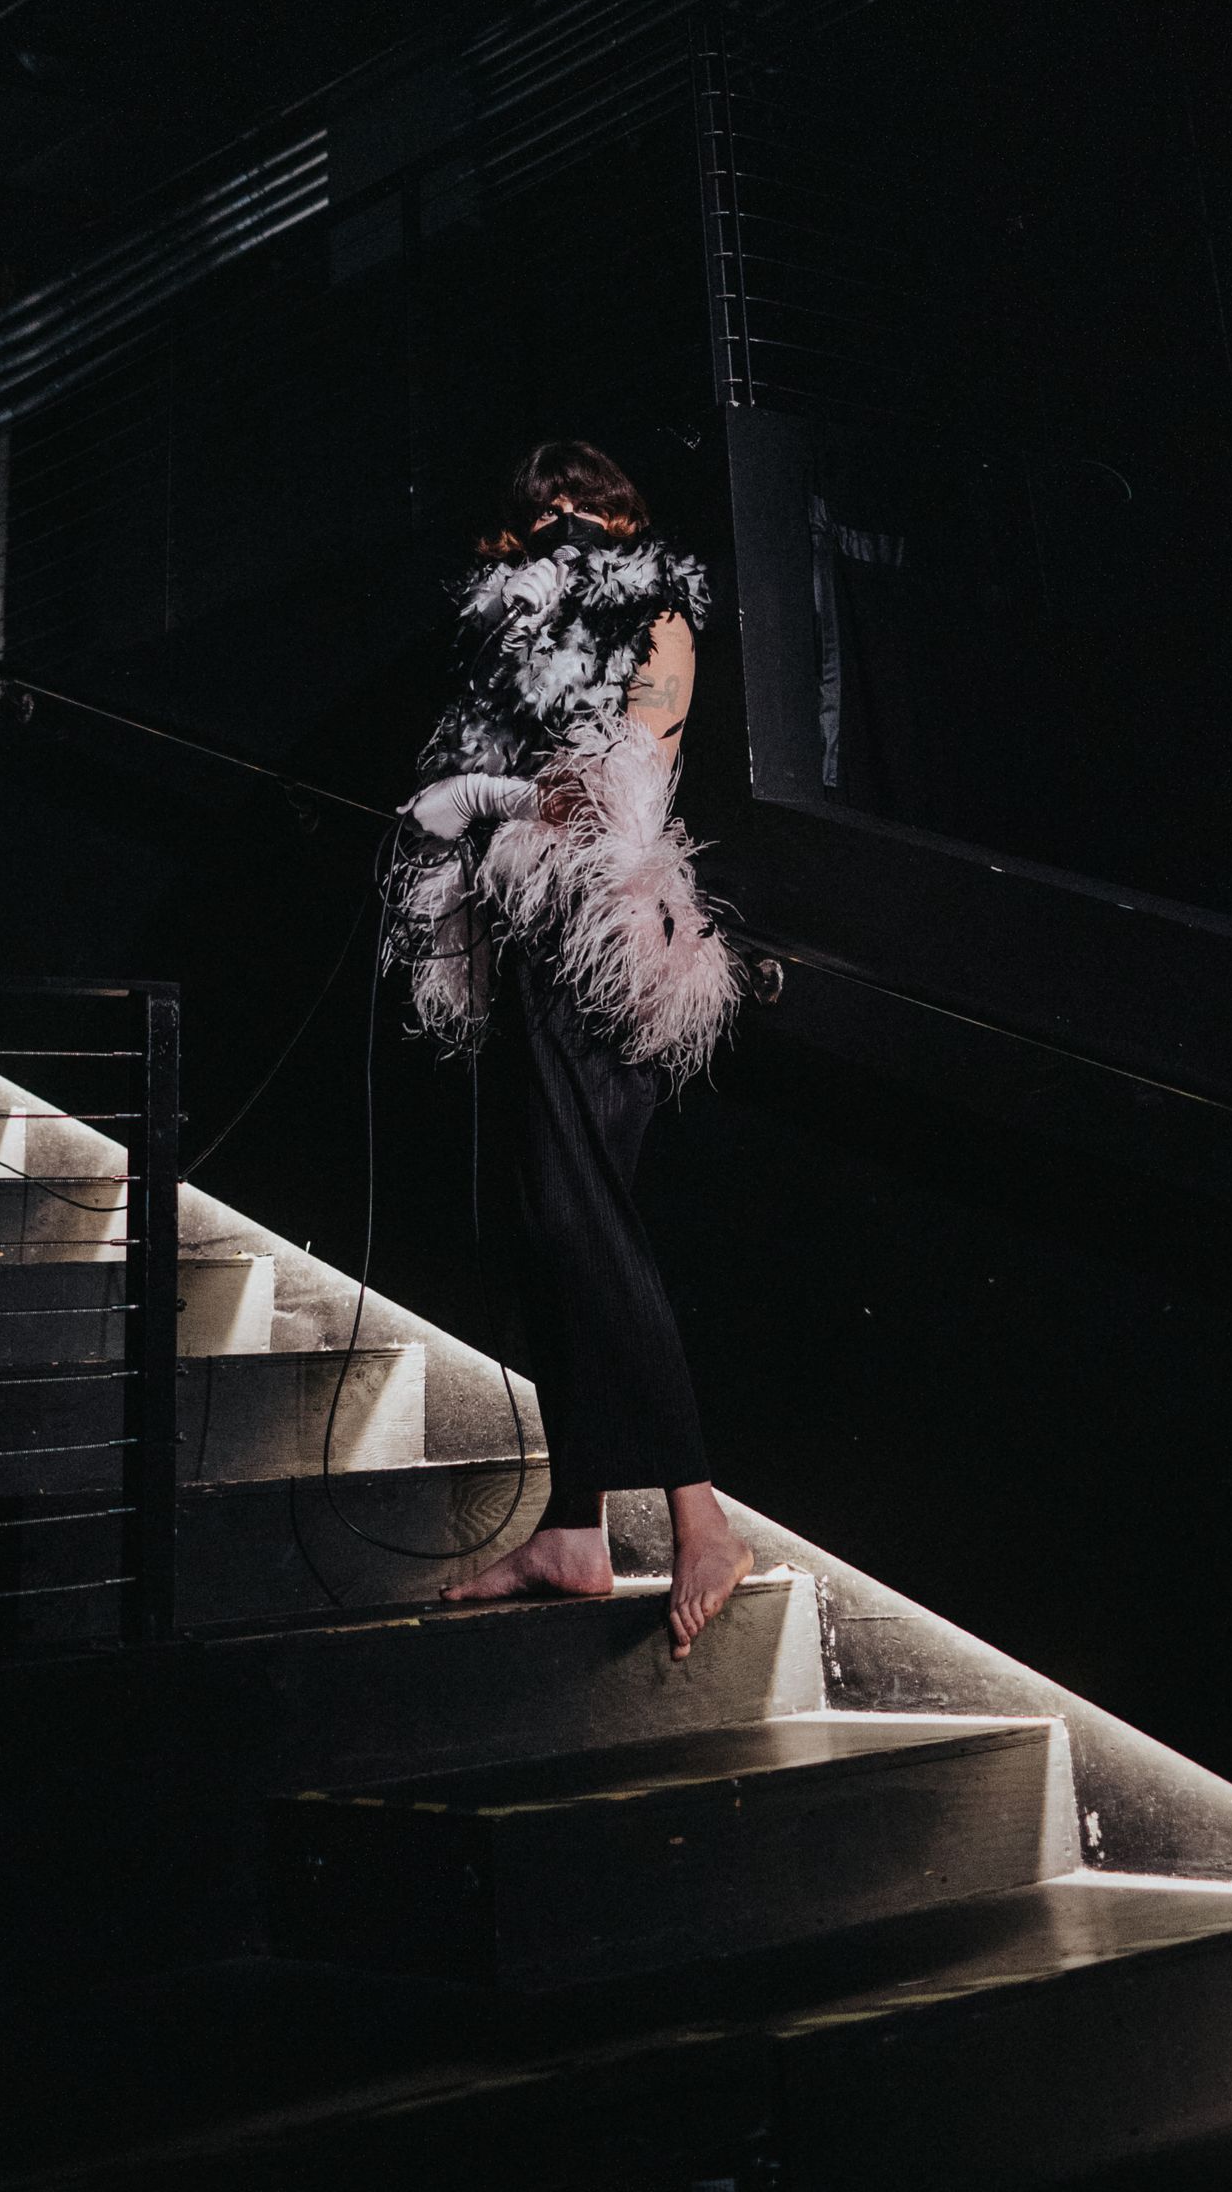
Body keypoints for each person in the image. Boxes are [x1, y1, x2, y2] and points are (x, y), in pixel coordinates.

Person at [394, 439, 752, 1659]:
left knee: (579, 1212)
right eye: (540, 512)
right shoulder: (495, 650)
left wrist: (510, 796)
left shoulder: (654, 614)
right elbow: (447, 799)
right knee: (545, 1220)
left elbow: (623, 780)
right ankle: (573, 1529)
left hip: (604, 928)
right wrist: (498, 798)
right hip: (525, 932)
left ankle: (698, 1515)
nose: (563, 529)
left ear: (623, 521)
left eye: (585, 511)